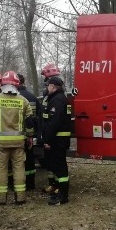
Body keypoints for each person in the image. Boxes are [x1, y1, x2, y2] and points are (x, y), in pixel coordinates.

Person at [0, 71, 35, 205]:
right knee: (19, 168)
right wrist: (29, 137)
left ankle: (1, 198)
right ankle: (20, 197)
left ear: (3, 84)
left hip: (0, 144)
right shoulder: (24, 101)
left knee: (1, 169)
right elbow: (30, 123)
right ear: (17, 85)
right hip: (18, 142)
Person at [41, 75, 72, 205]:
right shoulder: (61, 98)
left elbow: (54, 123)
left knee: (60, 168)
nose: (47, 88)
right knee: (59, 167)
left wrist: (47, 139)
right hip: (60, 139)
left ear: (53, 86)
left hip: (58, 140)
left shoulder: (57, 100)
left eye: (48, 85)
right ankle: (61, 193)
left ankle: (63, 196)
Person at [38, 62, 61, 194]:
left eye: (47, 81)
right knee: (49, 162)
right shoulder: (48, 93)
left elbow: (54, 118)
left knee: (55, 161)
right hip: (47, 131)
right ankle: (52, 184)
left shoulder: (56, 96)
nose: (46, 84)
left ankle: (57, 185)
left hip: (53, 135)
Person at [17, 74, 39, 191]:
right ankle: (31, 183)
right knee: (30, 160)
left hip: (17, 135)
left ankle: (16, 183)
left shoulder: (16, 97)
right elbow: (37, 117)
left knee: (17, 161)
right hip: (30, 134)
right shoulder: (32, 97)